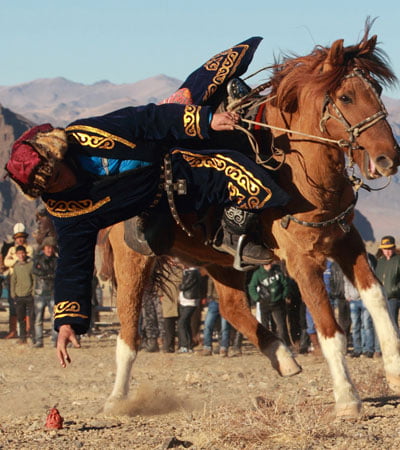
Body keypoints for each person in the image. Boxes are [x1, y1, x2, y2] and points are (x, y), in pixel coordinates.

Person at [5, 38, 290, 367]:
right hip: (167, 186)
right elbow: (73, 261)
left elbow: (144, 120)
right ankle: (234, 232)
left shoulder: (85, 134)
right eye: (50, 186)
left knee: (221, 71)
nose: (60, 184)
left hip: (167, 138)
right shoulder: (66, 208)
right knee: (236, 174)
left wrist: (204, 120)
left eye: (57, 175)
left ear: (59, 155)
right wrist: (67, 322)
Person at [247, 262, 291, 347]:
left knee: (281, 326)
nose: (269, 266)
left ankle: (282, 345)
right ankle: (267, 345)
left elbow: (285, 284)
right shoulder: (258, 274)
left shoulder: (277, 271)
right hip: (265, 303)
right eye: (266, 264)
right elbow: (252, 287)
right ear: (263, 265)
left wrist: (284, 295)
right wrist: (257, 298)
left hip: (277, 303)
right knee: (265, 326)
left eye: (270, 264)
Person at [3, 223, 35, 339]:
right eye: (17, 237)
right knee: (13, 305)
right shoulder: (11, 249)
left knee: (27, 306)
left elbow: (28, 260)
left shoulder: (29, 249)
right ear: (15, 238)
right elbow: (6, 262)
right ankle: (13, 330)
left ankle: (27, 329)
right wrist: (19, 258)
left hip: (26, 279)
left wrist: (14, 258)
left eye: (22, 237)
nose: (20, 239)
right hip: (12, 278)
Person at [32, 236, 58, 348]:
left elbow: (57, 273)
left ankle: (54, 341)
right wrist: (47, 274)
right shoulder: (37, 259)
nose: (49, 250)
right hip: (40, 292)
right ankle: (39, 341)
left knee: (54, 318)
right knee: (38, 319)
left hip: (52, 292)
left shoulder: (56, 260)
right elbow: (35, 270)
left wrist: (48, 274)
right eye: (47, 247)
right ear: (43, 248)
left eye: (51, 248)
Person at [344, 275, 375, 358]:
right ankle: (357, 349)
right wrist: (347, 295)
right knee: (355, 326)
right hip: (353, 300)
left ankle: (368, 349)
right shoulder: (347, 265)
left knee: (366, 325)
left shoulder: (366, 262)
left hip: (365, 299)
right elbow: (346, 282)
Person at [202, 276, 232, 357]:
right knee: (208, 325)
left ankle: (224, 348)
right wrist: (209, 296)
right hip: (214, 301)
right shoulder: (215, 272)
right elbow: (210, 282)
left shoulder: (229, 273)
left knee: (225, 327)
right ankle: (207, 347)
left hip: (226, 301)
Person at [10, 246, 35, 344]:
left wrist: (33, 292)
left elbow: (34, 279)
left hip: (29, 295)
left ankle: (33, 337)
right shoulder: (15, 267)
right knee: (21, 317)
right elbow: (13, 281)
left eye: (23, 253)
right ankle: (22, 337)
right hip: (19, 295)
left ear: (25, 253)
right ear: (16, 255)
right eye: (19, 253)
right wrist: (13, 293)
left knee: (32, 316)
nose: (21, 255)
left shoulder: (31, 265)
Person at [375, 236, 400, 331]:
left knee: (393, 323)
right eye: (385, 249)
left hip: (394, 298)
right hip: (382, 298)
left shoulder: (398, 260)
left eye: (389, 248)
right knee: (384, 324)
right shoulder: (380, 262)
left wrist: (395, 290)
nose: (387, 251)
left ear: (394, 248)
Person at [177, 266, 203, 353]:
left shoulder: (193, 272)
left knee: (181, 322)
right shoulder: (187, 271)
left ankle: (184, 345)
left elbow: (185, 286)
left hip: (190, 300)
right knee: (186, 323)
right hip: (184, 300)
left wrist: (180, 286)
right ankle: (188, 345)